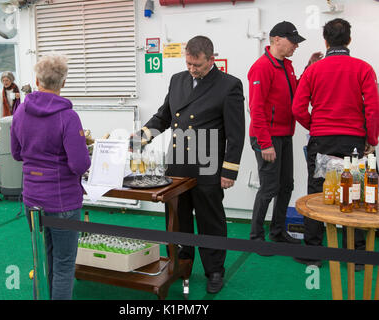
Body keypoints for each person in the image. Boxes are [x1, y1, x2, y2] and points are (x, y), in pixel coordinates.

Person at [138, 35, 245, 293]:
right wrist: (143, 136)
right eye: (188, 63)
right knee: (177, 219)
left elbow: (236, 132)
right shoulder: (177, 80)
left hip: (207, 166)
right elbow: (163, 116)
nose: (192, 69)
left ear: (211, 59)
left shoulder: (229, 85)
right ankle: (179, 263)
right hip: (178, 165)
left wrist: (229, 170)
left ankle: (214, 270)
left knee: (210, 221)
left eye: (197, 65)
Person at [292, 18, 379, 268]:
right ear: (349, 40)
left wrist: (315, 127)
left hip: (322, 140)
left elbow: (298, 108)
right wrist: (370, 139)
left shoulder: (313, 70)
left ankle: (313, 253)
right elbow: (373, 109)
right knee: (356, 193)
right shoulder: (363, 68)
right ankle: (356, 257)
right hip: (354, 141)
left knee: (318, 192)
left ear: (326, 41)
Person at [10, 55, 91, 299]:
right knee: (65, 264)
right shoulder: (68, 117)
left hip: (33, 199)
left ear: (36, 80)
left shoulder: (21, 111)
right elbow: (79, 164)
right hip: (63, 201)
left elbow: (16, 153)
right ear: (63, 83)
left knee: (43, 257)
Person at [248, 21, 322, 247]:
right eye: (293, 41)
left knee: (286, 185)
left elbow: (296, 90)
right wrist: (265, 143)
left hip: (284, 134)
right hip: (267, 137)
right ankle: (256, 238)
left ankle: (277, 232)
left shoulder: (286, 66)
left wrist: (309, 68)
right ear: (277, 39)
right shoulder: (261, 67)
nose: (296, 46)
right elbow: (256, 108)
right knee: (269, 188)